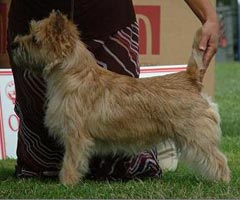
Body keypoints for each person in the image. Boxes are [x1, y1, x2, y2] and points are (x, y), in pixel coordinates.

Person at [7, 0, 219, 180]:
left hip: (107, 17)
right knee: (43, 164)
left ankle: (158, 135)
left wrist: (209, 16)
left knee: (120, 161)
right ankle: (158, 134)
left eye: (33, 40)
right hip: (34, 8)